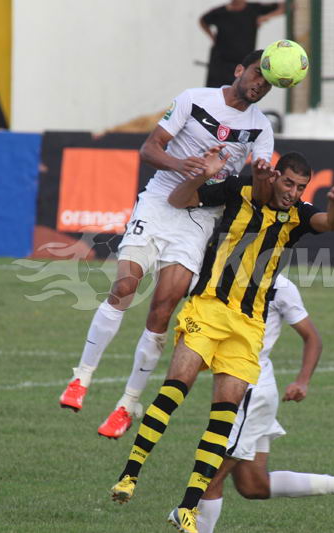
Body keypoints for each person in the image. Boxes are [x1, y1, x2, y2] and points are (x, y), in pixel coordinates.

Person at [109, 150, 334, 533]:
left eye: (301, 187)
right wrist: (208, 174)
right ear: (274, 176)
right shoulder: (237, 190)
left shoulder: (299, 215)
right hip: (207, 308)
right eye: (287, 182)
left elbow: (330, 224)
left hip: (249, 326)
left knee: (222, 418)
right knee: (175, 390)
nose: (292, 192)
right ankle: (129, 475)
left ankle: (188, 507)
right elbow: (182, 199)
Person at [58, 49, 275, 441]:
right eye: (258, 74)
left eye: (269, 82)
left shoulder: (261, 128)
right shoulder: (194, 98)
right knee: (124, 288)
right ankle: (81, 378)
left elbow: (260, 194)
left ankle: (127, 404)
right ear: (240, 69)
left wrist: (262, 175)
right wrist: (184, 165)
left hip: (199, 218)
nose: (260, 84)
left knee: (162, 312)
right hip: (160, 201)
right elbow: (150, 148)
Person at [196, 274, 334, 532]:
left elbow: (312, 338)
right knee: (253, 485)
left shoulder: (280, 287)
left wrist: (302, 382)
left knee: (206, 479)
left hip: (251, 392)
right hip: (241, 389)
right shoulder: (220, 274)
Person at [200, 1, 285, 88]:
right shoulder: (220, 12)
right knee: (214, 90)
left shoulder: (254, 9)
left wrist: (265, 17)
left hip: (241, 61)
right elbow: (203, 20)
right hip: (220, 62)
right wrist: (212, 37)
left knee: (238, 92)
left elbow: (284, 7)